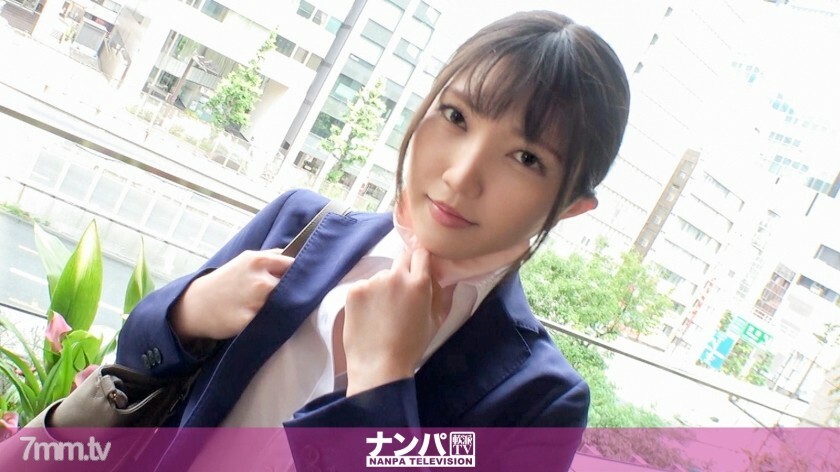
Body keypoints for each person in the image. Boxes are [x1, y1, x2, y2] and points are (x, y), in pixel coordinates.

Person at [116, 10, 630, 471]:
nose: (460, 176)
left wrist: (381, 380)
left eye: (526, 158)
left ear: (571, 206)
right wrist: (189, 313)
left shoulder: (540, 401)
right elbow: (134, 364)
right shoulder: (299, 224)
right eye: (456, 116)